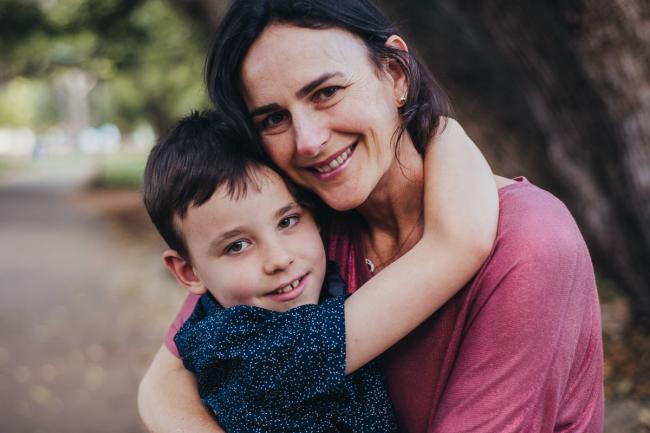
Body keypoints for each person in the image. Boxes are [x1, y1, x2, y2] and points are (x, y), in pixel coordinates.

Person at [138, 1, 604, 432]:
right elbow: (165, 382)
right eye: (273, 119)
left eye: (326, 92)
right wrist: (442, 128)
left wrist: (442, 130)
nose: (307, 141)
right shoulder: (304, 229)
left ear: (397, 74)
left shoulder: (529, 242)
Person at [141, 109, 497, 433]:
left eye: (288, 220)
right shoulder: (243, 352)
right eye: (237, 245)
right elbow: (456, 245)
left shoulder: (300, 284)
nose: (278, 258)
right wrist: (439, 127)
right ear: (189, 272)